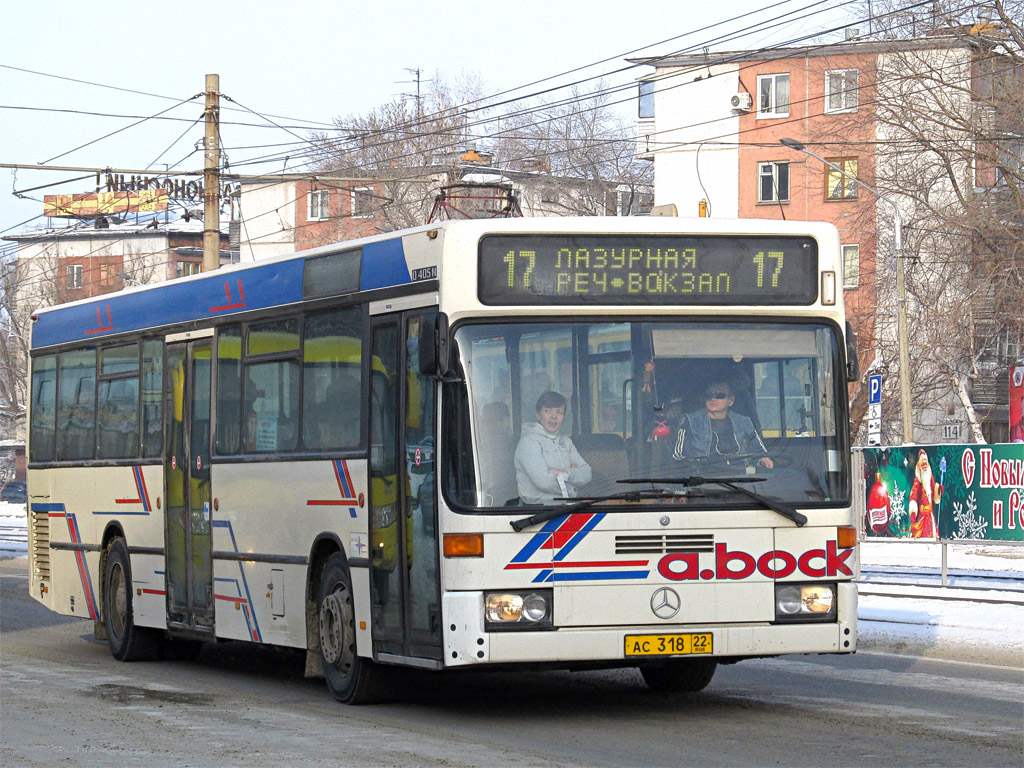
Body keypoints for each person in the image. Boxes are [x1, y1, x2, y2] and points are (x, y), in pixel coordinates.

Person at [671, 379, 774, 469]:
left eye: (719, 395)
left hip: (741, 478)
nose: (713, 399)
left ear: (731, 400)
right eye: (709, 395)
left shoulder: (744, 422)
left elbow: (760, 451)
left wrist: (763, 460)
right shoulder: (690, 420)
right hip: (705, 479)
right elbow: (678, 456)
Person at [514, 391, 592, 504]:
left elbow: (587, 473)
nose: (554, 416)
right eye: (547, 411)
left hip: (567, 507)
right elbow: (544, 482)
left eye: (559, 412)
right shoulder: (528, 443)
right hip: (536, 511)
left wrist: (565, 474)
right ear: (538, 414)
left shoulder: (566, 441)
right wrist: (572, 485)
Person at [908, 449, 942, 538]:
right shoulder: (918, 480)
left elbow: (935, 496)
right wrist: (913, 512)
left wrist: (938, 490)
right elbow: (914, 496)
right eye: (922, 463)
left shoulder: (930, 477)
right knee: (923, 535)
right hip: (923, 516)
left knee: (933, 534)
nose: (924, 466)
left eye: (925, 462)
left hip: (931, 514)